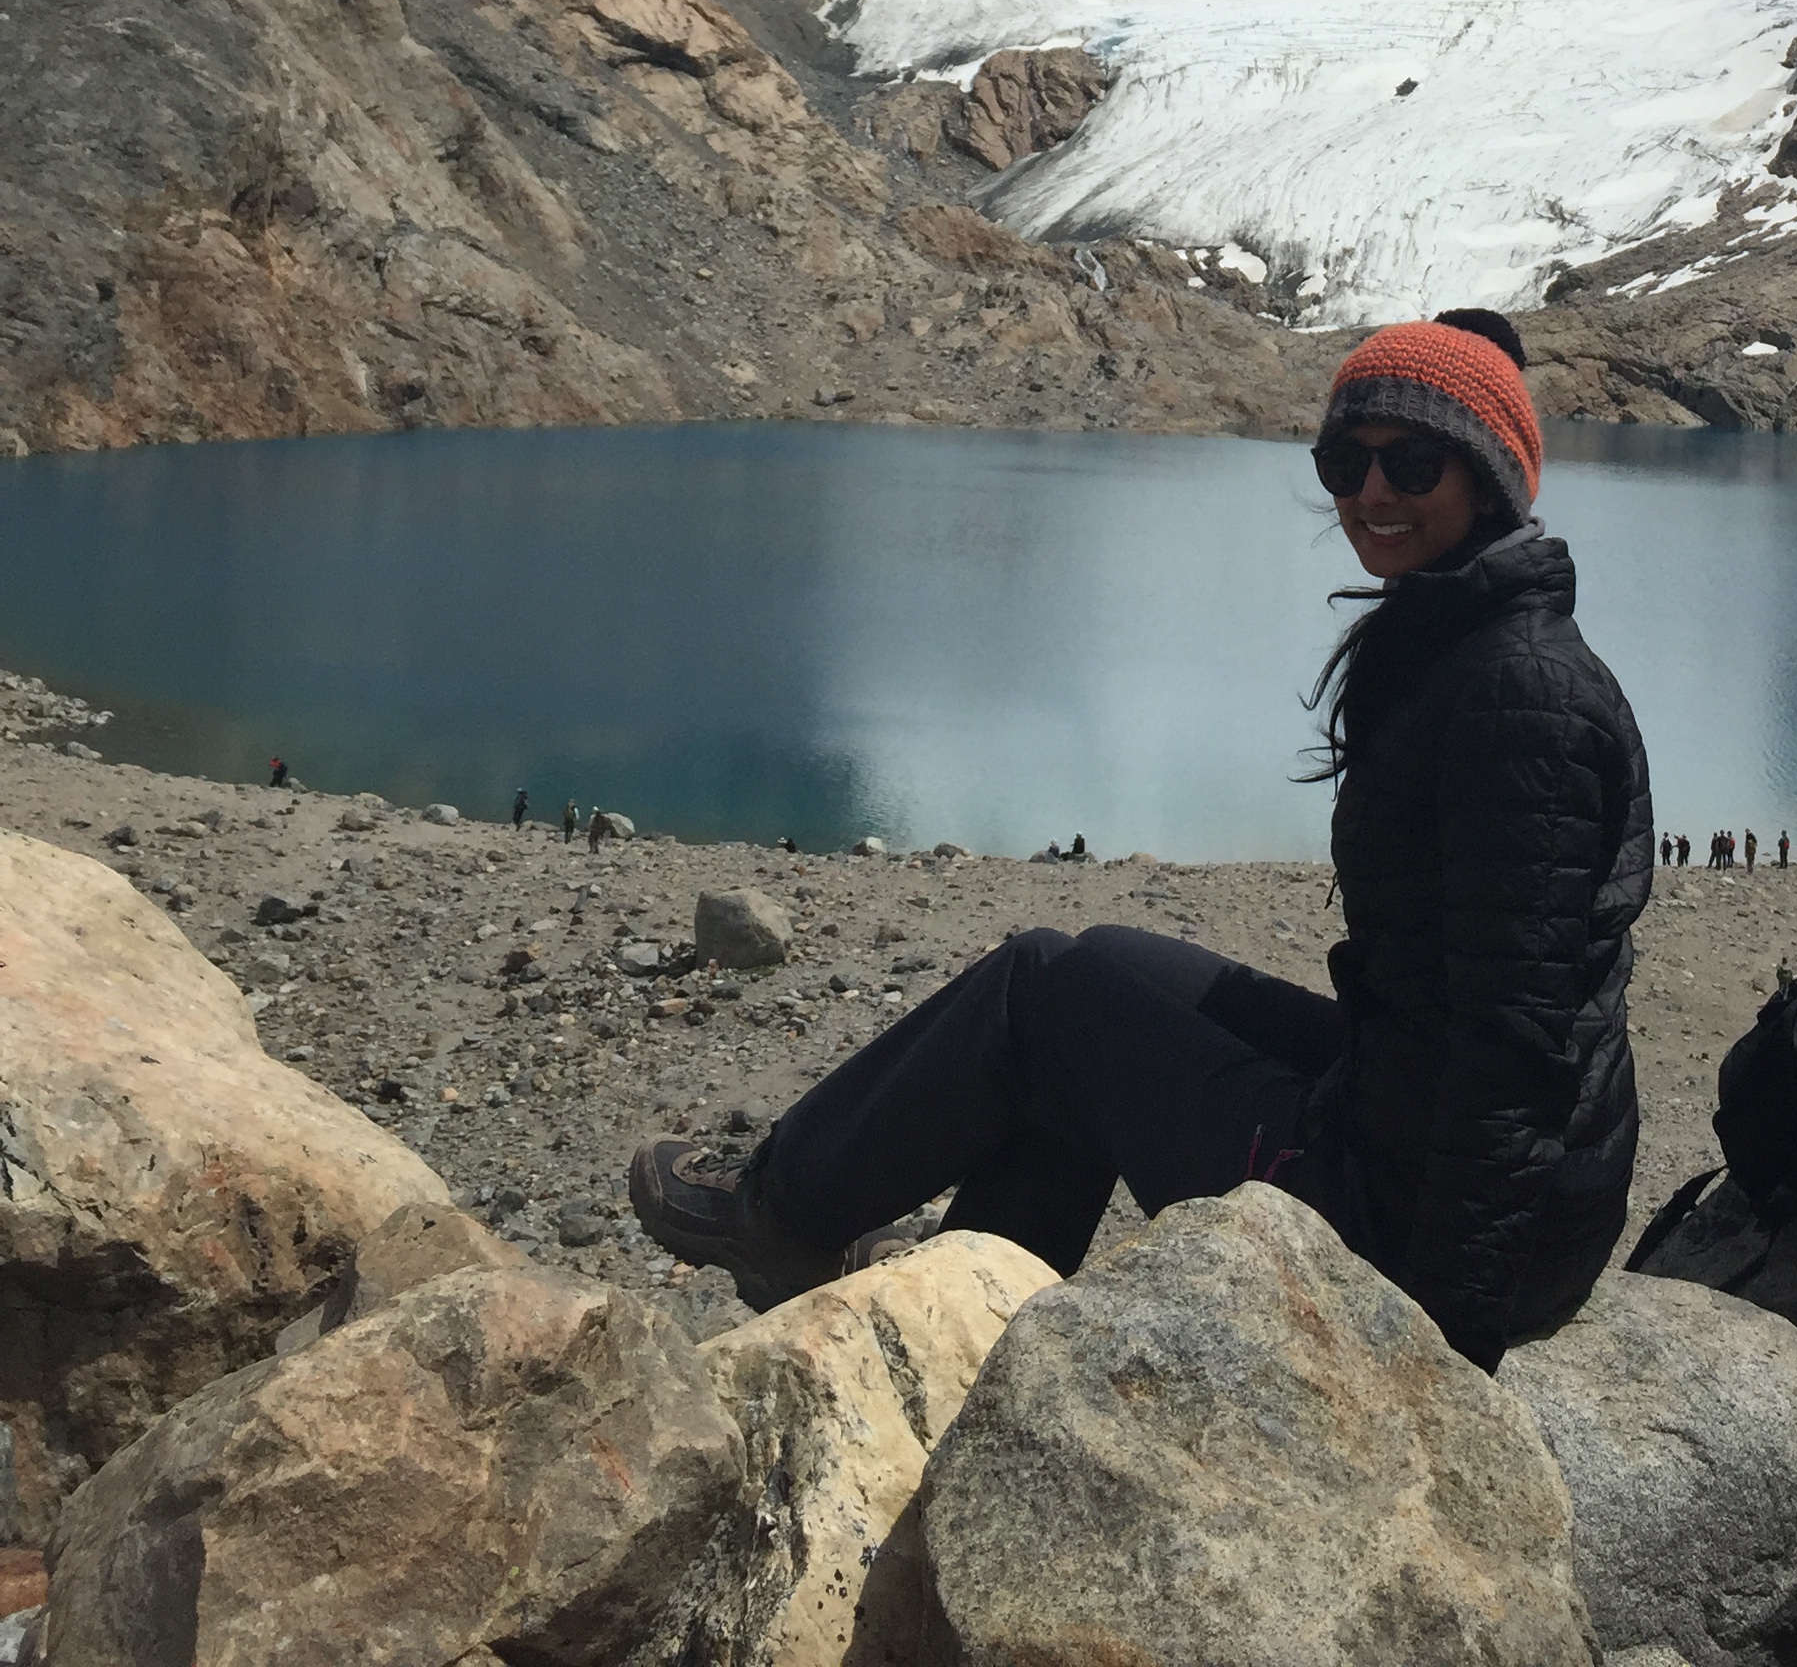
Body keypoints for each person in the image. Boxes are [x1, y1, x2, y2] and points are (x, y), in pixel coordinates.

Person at [629, 308, 1653, 1372]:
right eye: (1345, 464)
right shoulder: (1462, 641)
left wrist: (1441, 1350)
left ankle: (783, 1218)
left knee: (1046, 1001)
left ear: (1489, 477)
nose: (1372, 493)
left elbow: (1515, 1050)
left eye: (1414, 463)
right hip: (1404, 1111)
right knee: (1096, 962)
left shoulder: (1519, 698)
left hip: (1413, 1214)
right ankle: (968, 1304)